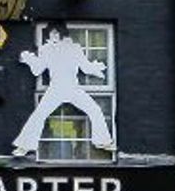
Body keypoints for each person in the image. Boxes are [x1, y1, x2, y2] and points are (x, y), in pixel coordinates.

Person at [12, 23, 115, 157]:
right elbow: (38, 70)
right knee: (39, 115)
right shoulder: (46, 49)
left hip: (73, 87)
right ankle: (24, 146)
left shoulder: (74, 48)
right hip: (56, 89)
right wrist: (29, 59)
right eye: (51, 33)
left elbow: (85, 67)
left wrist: (95, 68)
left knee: (94, 109)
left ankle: (103, 142)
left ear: (62, 34)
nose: (53, 36)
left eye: (56, 33)